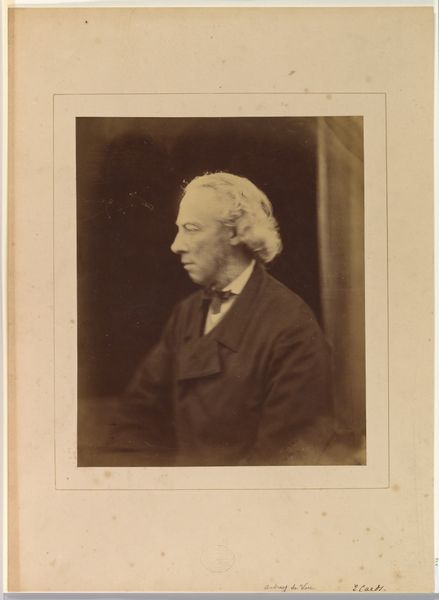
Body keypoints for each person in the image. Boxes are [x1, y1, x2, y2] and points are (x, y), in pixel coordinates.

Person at [114, 172, 332, 466]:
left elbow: (281, 463)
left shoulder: (292, 329)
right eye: (179, 229)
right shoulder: (186, 313)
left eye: (191, 228)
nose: (176, 245)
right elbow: (138, 413)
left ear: (235, 232)